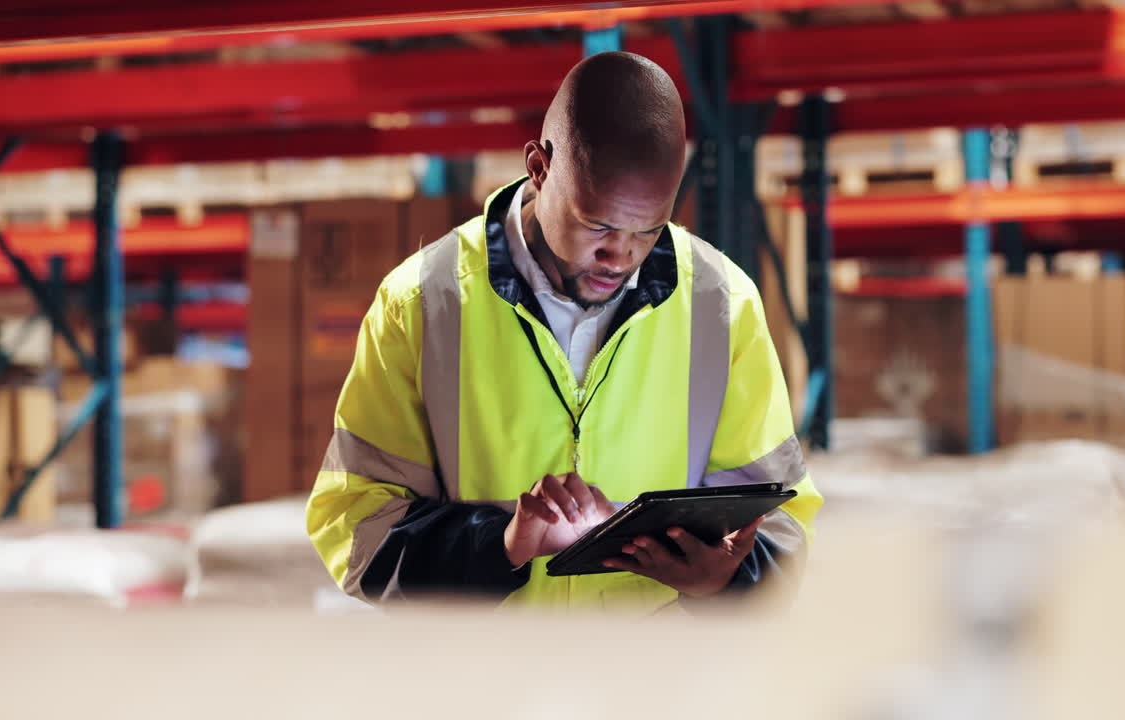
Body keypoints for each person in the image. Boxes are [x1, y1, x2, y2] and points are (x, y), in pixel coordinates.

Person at [306, 51, 823, 610]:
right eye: (596, 224)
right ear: (539, 167)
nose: (619, 257)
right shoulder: (422, 303)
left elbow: (781, 519)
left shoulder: (724, 307)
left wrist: (728, 579)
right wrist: (500, 546)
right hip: (488, 683)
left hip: (660, 683)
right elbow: (353, 523)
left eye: (648, 230)